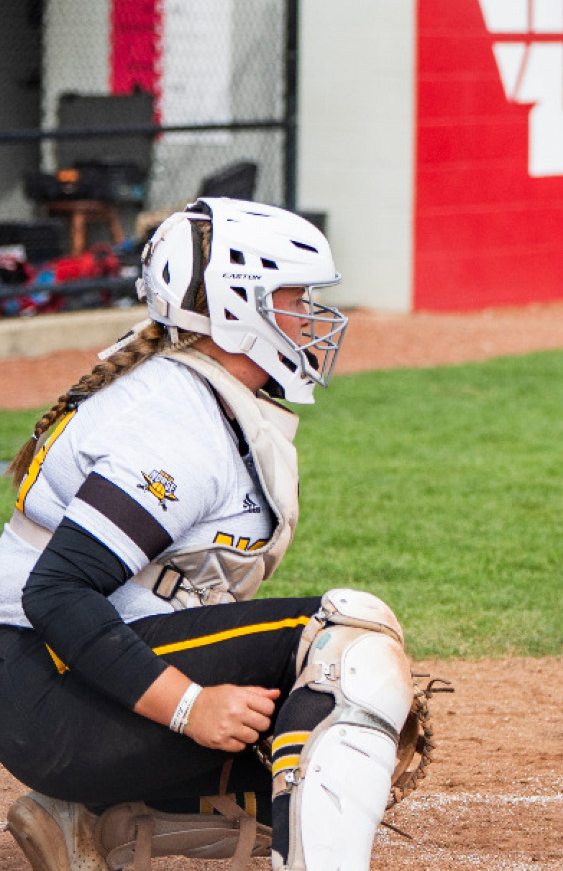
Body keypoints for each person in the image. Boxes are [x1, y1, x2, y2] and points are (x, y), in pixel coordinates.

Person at [0, 198, 429, 871]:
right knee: (349, 645)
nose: (312, 318)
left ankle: (86, 820)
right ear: (236, 307)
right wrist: (189, 706)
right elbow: (56, 593)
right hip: (50, 692)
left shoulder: (198, 398)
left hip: (61, 691)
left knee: (312, 759)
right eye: (294, 297)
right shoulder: (177, 427)